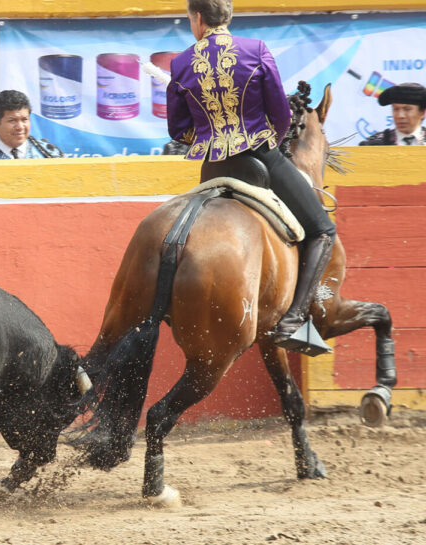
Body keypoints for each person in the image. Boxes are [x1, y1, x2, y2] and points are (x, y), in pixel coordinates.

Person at [166, 0, 337, 351]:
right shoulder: (256, 50)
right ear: (226, 17)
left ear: (197, 19)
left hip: (212, 168)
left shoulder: (181, 62)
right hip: (260, 159)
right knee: (322, 230)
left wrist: (209, 139)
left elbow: (177, 128)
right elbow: (280, 114)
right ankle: (293, 322)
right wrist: (265, 143)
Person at [359, 82, 426, 146]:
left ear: (422, 113)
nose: (400, 115)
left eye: (407, 109)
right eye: (396, 109)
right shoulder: (374, 144)